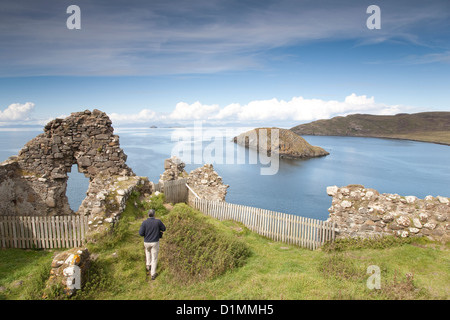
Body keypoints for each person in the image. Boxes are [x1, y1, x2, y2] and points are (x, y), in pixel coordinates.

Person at [139, 209, 166, 280]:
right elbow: (164, 229)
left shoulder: (144, 222)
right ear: (154, 214)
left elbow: (141, 233)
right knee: (154, 257)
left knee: (147, 252)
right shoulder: (158, 221)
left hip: (146, 242)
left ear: (148, 214)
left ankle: (148, 265)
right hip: (155, 242)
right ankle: (153, 274)